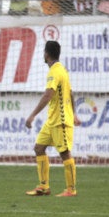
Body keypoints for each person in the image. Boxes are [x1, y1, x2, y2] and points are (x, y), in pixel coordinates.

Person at [25, 41, 79, 197]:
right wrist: (74, 113)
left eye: (44, 51)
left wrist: (33, 115)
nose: (43, 54)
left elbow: (48, 94)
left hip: (60, 120)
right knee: (39, 148)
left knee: (64, 153)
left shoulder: (55, 72)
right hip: (52, 120)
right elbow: (71, 93)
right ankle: (43, 187)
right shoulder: (61, 70)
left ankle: (71, 189)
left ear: (47, 53)